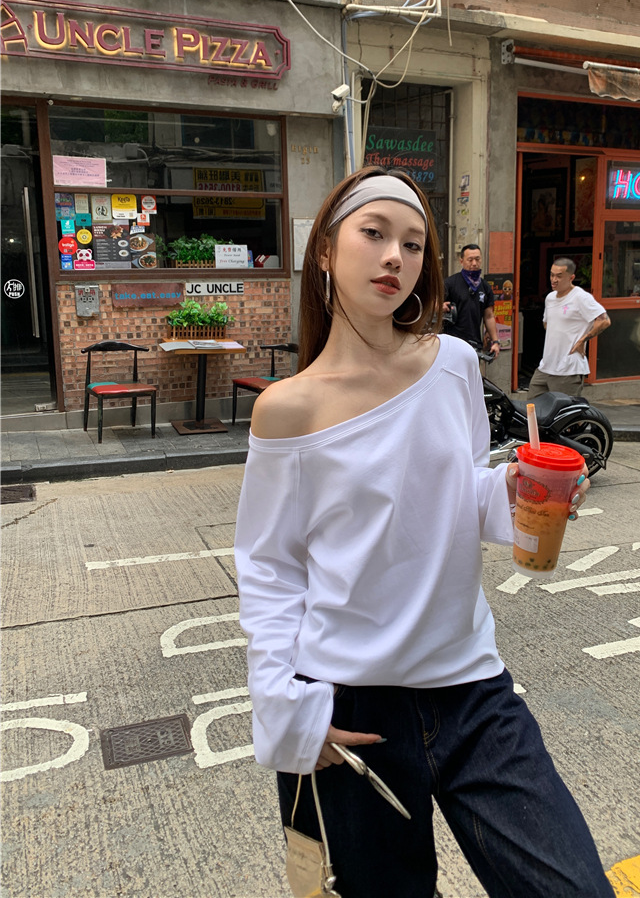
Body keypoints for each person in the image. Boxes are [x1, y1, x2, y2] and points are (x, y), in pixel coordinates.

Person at [234, 168, 615, 898]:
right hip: (348, 705)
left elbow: (461, 489)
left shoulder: (454, 364)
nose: (395, 257)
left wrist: (515, 491)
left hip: (471, 689)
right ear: (325, 250)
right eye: (374, 233)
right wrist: (284, 706)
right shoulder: (288, 408)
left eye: (413, 244)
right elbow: (269, 565)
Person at [527, 258, 611, 399]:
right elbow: (547, 324)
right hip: (546, 366)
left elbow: (604, 321)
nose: (554, 280)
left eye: (559, 276)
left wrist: (583, 339)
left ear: (571, 278)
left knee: (564, 410)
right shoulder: (550, 298)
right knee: (532, 407)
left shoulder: (581, 297)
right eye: (552, 275)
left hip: (568, 369)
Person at [442, 244, 501, 355]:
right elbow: (433, 304)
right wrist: (439, 307)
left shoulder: (485, 287)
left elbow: (489, 316)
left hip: (474, 345)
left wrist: (495, 342)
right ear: (461, 261)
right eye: (470, 260)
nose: (474, 263)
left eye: (477, 259)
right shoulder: (450, 283)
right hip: (452, 344)